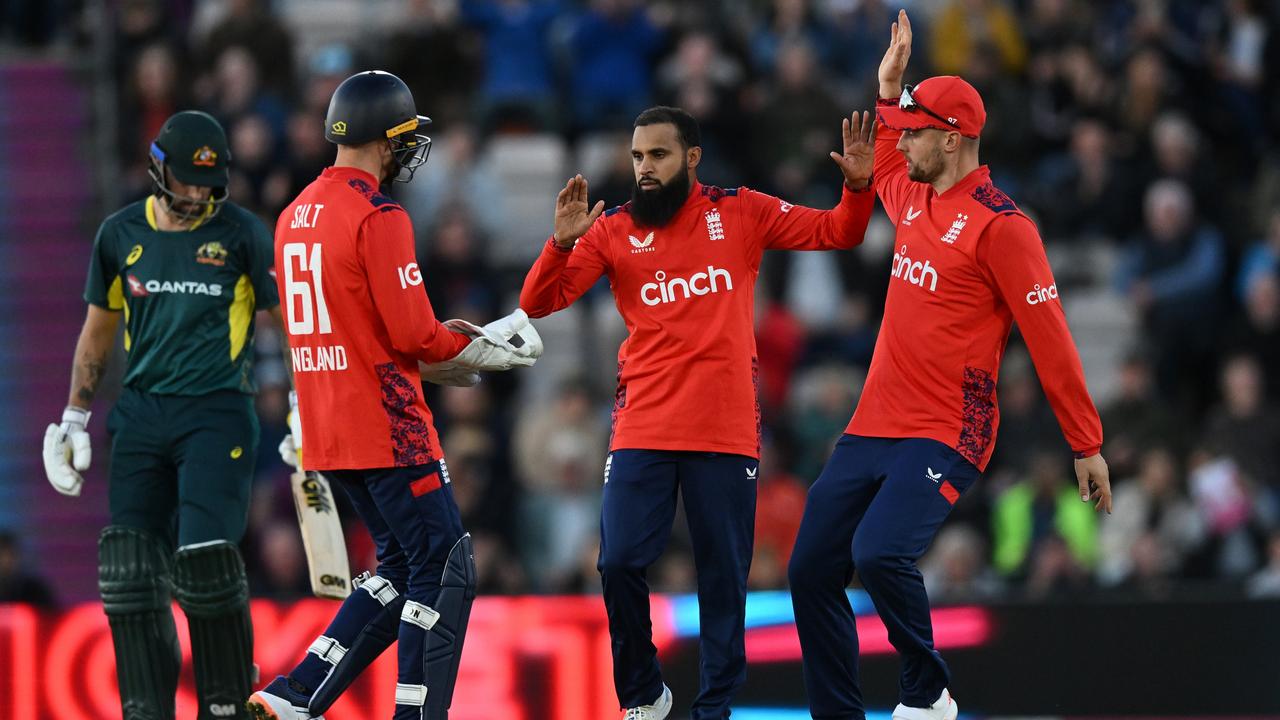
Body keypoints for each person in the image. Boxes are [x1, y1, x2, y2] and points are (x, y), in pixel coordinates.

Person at [786, 11, 1112, 720]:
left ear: (953, 137)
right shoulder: (913, 194)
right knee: (810, 568)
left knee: (877, 556)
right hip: (875, 421)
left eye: (916, 127)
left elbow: (1051, 338)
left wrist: (1085, 443)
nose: (902, 139)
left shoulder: (1004, 227)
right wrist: (891, 84)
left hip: (948, 427)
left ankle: (927, 694)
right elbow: (889, 159)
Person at [521, 104, 877, 719]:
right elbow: (540, 300)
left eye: (658, 155)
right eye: (637, 157)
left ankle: (714, 710)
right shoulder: (613, 229)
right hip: (644, 425)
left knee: (722, 579)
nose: (645, 169)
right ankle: (642, 696)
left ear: (691, 158)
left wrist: (858, 185)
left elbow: (839, 232)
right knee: (619, 560)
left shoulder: (739, 210)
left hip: (725, 429)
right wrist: (559, 243)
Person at [246, 70, 541, 720]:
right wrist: (483, 350)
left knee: (404, 566)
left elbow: (345, 329)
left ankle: (296, 693)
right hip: (389, 426)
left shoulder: (294, 214)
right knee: (447, 568)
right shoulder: (378, 215)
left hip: (328, 424)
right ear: (386, 141)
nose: (409, 151)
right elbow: (415, 334)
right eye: (405, 139)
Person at [42, 110, 280, 720]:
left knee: (203, 556)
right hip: (142, 414)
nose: (198, 194)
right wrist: (74, 415)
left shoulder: (242, 234)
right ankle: (146, 707)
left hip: (218, 411)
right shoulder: (120, 235)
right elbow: (98, 330)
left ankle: (227, 698)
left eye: (209, 183)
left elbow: (287, 324)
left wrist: (308, 406)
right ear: (158, 168)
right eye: (187, 180)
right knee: (128, 567)